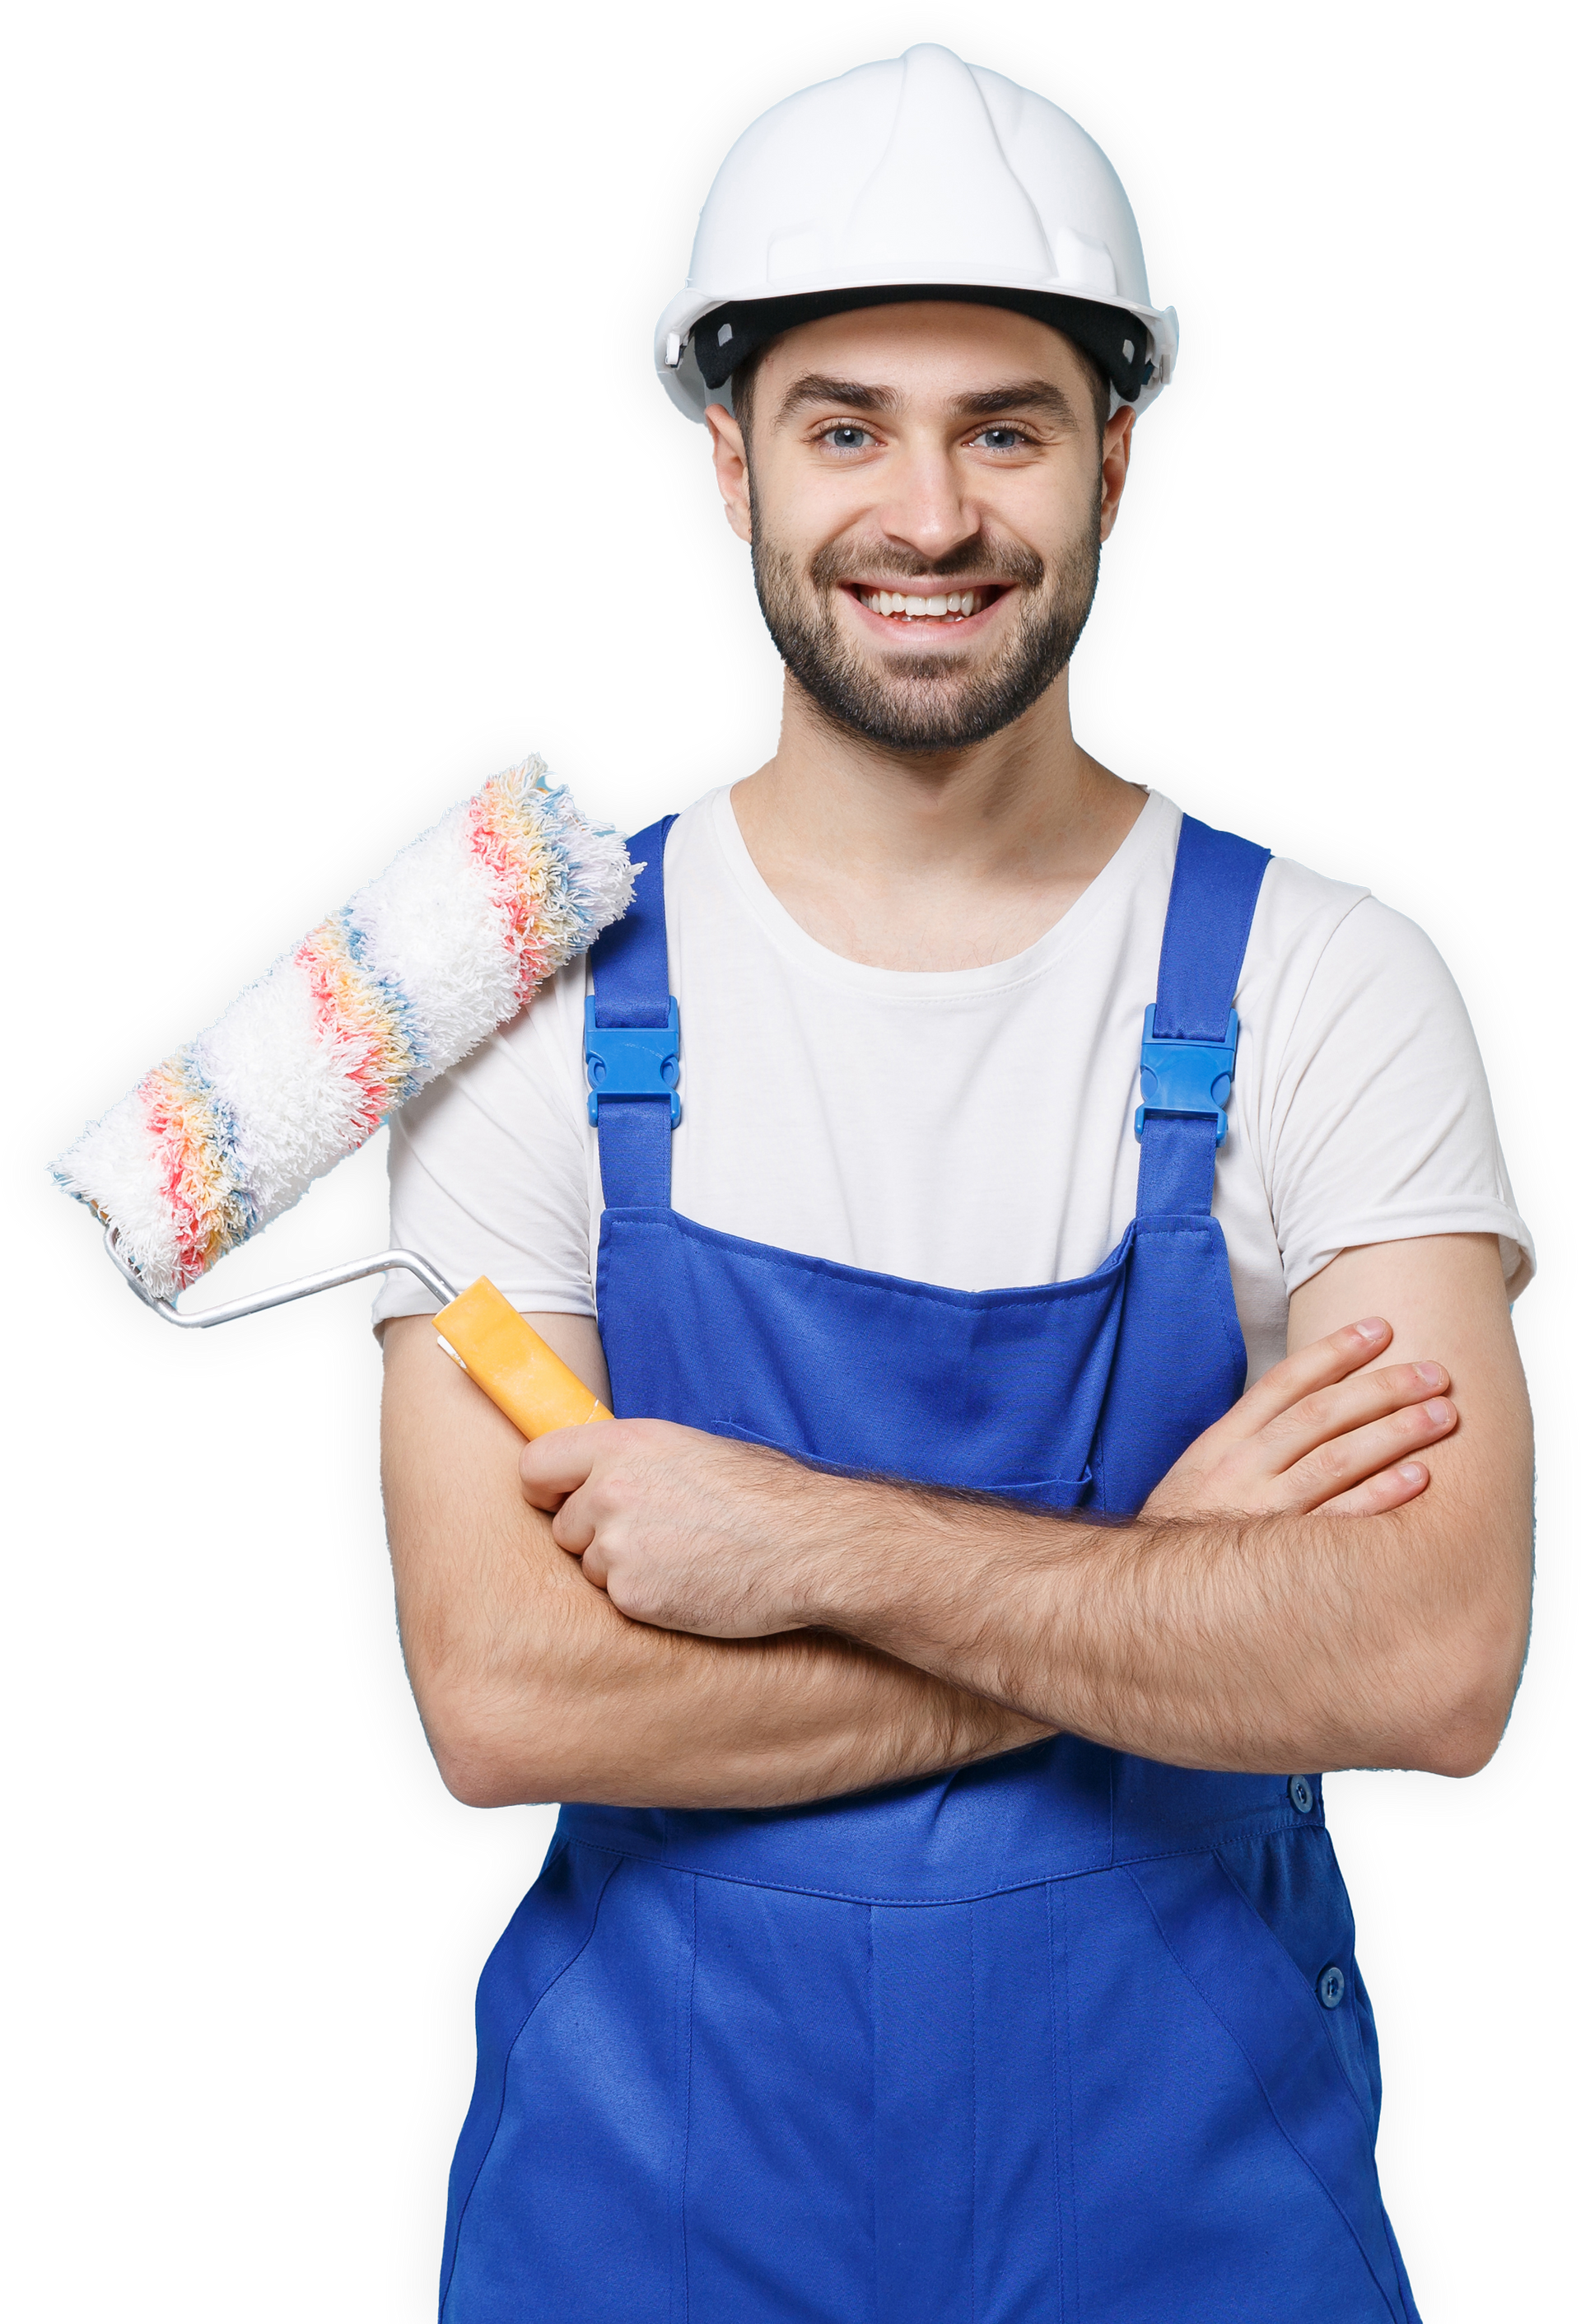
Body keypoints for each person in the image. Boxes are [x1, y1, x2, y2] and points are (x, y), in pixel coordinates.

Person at [375, 45, 1534, 2322]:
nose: (929, 514)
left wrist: (789, 1545)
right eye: (846, 427)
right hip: (651, 2222)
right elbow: (509, 1699)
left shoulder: (1331, 983)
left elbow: (1427, 1657)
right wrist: (1171, 1585)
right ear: (730, 466)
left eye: (1003, 425)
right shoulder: (530, 994)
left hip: (1196, 2232)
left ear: (1112, 458)